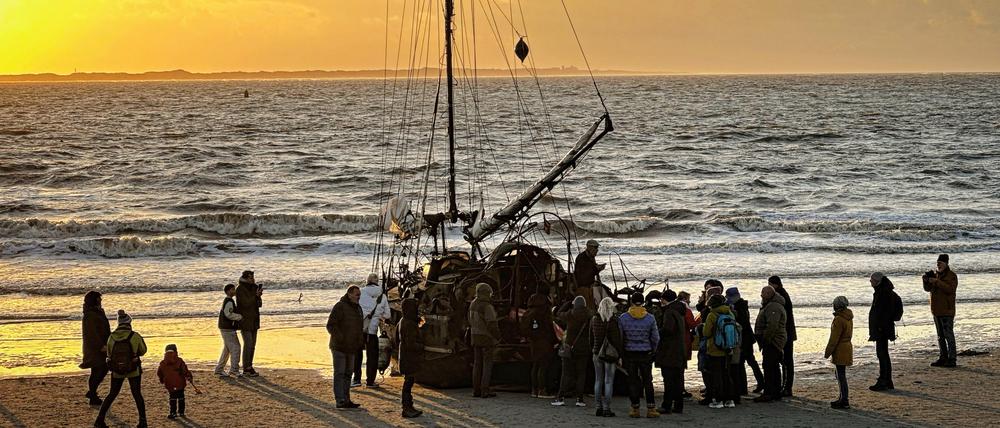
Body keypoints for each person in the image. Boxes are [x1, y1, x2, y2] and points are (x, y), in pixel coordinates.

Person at [95, 310, 149, 428]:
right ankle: (143, 421)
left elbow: (109, 354)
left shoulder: (112, 337)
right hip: (133, 369)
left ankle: (99, 420)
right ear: (129, 323)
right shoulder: (135, 336)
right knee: (137, 394)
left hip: (116, 370)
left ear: (119, 323)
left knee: (112, 394)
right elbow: (143, 351)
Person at [620, 292, 660, 418]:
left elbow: (621, 337)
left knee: (632, 381)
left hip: (630, 352)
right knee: (648, 380)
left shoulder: (623, 318)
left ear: (631, 302)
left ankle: (635, 408)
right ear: (643, 302)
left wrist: (622, 351)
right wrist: (653, 350)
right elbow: (656, 338)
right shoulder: (650, 318)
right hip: (645, 352)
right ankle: (651, 408)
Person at [327, 286, 364, 410]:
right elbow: (330, 325)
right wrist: (340, 337)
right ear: (349, 294)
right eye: (357, 294)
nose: (359, 297)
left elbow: (360, 327)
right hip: (339, 347)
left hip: (352, 347)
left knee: (348, 373)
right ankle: (340, 400)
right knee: (340, 373)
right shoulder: (340, 306)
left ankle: (346, 399)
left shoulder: (358, 308)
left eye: (359, 295)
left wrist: (360, 342)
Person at [552, 296, 592, 407]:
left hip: (569, 347)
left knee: (566, 374)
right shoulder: (589, 315)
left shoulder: (570, 314)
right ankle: (580, 399)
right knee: (581, 374)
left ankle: (560, 397)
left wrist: (568, 303)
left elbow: (558, 313)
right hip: (584, 348)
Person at [727, 287, 764, 396]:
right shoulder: (741, 305)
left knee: (745, 362)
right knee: (749, 361)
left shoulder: (740, 307)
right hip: (746, 338)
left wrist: (733, 313)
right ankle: (759, 382)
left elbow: (742, 323)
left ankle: (749, 385)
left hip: (744, 339)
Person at [753, 286, 787, 403]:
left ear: (769, 294)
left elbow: (772, 325)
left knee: (769, 366)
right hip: (773, 340)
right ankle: (775, 392)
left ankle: (769, 392)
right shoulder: (770, 305)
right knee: (773, 366)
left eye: (763, 293)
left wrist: (765, 339)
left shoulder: (773, 307)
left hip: (773, 341)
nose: (761, 295)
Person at [522, 285, 557, 398]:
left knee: (535, 365)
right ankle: (542, 390)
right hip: (544, 340)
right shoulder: (544, 308)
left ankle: (534, 389)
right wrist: (554, 340)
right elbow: (549, 326)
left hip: (533, 340)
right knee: (544, 365)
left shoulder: (531, 307)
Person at [923, 254, 958, 367]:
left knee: (949, 335)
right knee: (940, 336)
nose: (938, 265)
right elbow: (927, 289)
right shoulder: (935, 275)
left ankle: (952, 359)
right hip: (936, 310)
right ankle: (943, 358)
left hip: (947, 310)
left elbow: (950, 289)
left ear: (946, 264)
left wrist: (937, 282)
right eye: (938, 263)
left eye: (941, 263)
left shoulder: (952, 276)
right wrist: (926, 281)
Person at [591, 297, 623, 417]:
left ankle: (598, 407)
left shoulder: (594, 319)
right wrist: (619, 355)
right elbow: (617, 340)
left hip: (596, 353)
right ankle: (606, 408)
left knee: (598, 380)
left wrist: (594, 349)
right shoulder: (614, 321)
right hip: (609, 354)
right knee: (608, 381)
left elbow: (591, 337)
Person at [702, 294, 736, 409]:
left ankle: (718, 400)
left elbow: (706, 333)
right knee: (727, 374)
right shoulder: (729, 313)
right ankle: (730, 400)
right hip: (728, 348)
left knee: (717, 376)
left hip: (715, 349)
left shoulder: (712, 315)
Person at [656, 290, 686, 414]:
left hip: (669, 351)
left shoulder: (669, 311)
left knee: (668, 380)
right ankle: (679, 405)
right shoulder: (679, 310)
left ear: (664, 299)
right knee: (678, 379)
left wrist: (656, 331)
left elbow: (668, 329)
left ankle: (666, 405)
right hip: (679, 350)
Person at [358, 273, 391, 388]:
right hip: (372, 332)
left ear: (367, 281)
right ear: (378, 283)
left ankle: (356, 379)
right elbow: (387, 315)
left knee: (357, 354)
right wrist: (378, 315)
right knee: (372, 356)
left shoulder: (360, 292)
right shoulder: (382, 296)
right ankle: (370, 381)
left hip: (360, 330)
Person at [469, 283, 501, 398]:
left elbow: (469, 320)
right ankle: (485, 390)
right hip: (486, 337)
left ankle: (476, 390)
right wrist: (498, 337)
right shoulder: (487, 306)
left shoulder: (472, 304)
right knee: (487, 364)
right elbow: (492, 324)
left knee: (477, 364)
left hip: (474, 336)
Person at [869, 273, 899, 390]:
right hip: (884, 327)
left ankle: (884, 380)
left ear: (877, 281)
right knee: (883, 354)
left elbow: (882, 313)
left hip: (882, 328)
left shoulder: (883, 293)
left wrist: (880, 327)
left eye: (871, 280)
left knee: (882, 354)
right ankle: (887, 380)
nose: (870, 282)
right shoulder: (885, 291)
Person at [81, 291, 111, 406]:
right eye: (99, 299)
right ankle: (93, 395)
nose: (101, 301)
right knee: (98, 370)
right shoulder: (90, 314)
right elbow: (92, 333)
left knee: (101, 369)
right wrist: (101, 346)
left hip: (101, 345)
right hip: (95, 347)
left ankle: (92, 393)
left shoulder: (96, 312)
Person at [768, 275, 796, 396]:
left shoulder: (779, 298)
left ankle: (786, 387)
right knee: (786, 360)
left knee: (786, 361)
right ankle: (785, 386)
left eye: (770, 284)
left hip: (785, 333)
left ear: (776, 285)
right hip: (788, 332)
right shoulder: (783, 295)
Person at [824, 296, 854, 409]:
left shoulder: (838, 319)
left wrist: (827, 352)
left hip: (840, 348)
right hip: (847, 346)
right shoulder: (848, 317)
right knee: (840, 374)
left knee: (840, 375)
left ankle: (844, 399)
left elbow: (834, 338)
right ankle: (843, 397)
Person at [397, 297, 424, 418]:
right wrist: (422, 346)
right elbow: (410, 343)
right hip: (409, 357)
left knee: (409, 381)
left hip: (407, 356)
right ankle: (406, 407)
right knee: (408, 382)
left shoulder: (405, 321)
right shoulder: (408, 324)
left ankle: (409, 405)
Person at [235, 270, 263, 377]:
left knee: (253, 345)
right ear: (246, 278)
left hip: (254, 319)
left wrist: (258, 296)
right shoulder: (240, 289)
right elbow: (245, 303)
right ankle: (246, 367)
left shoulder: (254, 287)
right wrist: (255, 296)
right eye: (251, 278)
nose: (253, 279)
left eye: (253, 277)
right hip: (245, 320)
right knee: (248, 344)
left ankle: (249, 366)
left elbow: (259, 304)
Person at [156, 344, 193, 419]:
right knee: (181, 397)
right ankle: (181, 412)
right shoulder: (179, 361)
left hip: (169, 383)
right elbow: (185, 370)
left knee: (172, 397)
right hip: (180, 383)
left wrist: (162, 380)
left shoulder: (163, 363)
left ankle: (173, 412)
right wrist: (189, 377)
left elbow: (159, 373)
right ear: (176, 351)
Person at [214, 283, 243, 377]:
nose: (234, 291)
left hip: (225, 327)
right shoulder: (229, 302)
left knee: (227, 349)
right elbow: (228, 314)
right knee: (236, 348)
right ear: (228, 291)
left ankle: (219, 369)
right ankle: (234, 369)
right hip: (228, 328)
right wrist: (239, 317)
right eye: (233, 289)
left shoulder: (228, 301)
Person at [677, 291, 697, 399]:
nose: (690, 301)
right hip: (684, 339)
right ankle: (681, 389)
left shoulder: (672, 308)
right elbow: (691, 324)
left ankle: (678, 388)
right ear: (685, 299)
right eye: (688, 299)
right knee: (681, 366)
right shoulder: (686, 309)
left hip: (676, 341)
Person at [574, 239, 606, 308]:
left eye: (597, 248)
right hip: (583, 283)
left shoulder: (591, 257)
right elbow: (584, 274)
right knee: (598, 291)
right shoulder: (581, 258)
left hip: (590, 282)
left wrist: (598, 268)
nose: (597, 250)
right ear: (589, 247)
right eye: (595, 248)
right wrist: (597, 269)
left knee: (604, 289)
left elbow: (592, 270)